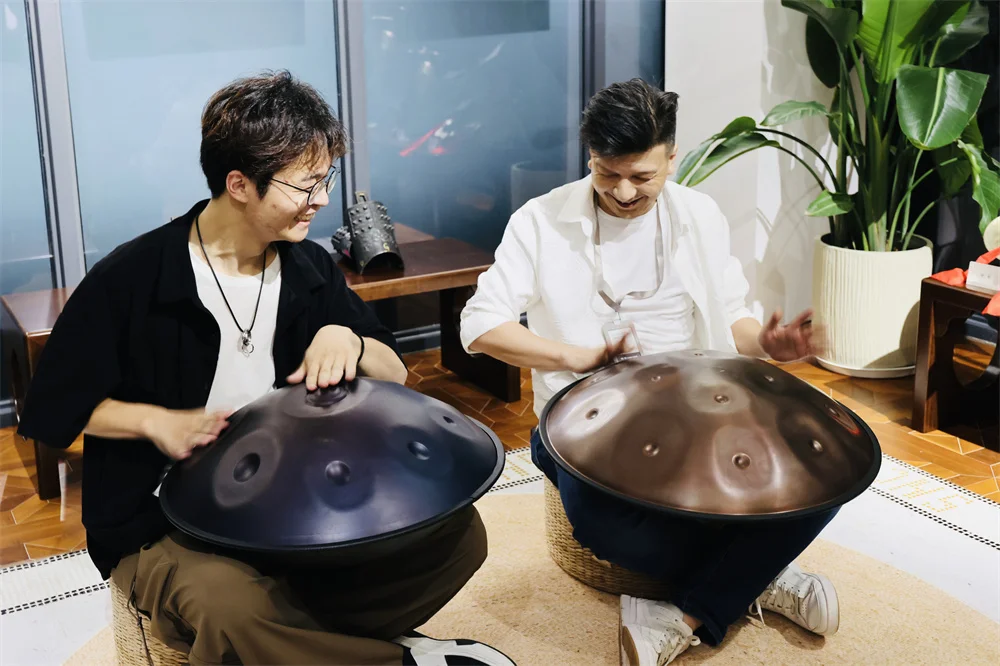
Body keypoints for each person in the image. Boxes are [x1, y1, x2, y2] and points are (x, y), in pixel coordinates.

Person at [17, 71, 514, 666]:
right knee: (231, 607)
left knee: (458, 539)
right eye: (306, 184)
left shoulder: (309, 269)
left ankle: (303, 649)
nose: (322, 199)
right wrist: (154, 422)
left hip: (289, 509)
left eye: (325, 179)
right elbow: (49, 411)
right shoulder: (133, 279)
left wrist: (348, 339)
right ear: (239, 184)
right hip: (161, 520)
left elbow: (395, 373)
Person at [460, 78, 838, 666]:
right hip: (583, 424)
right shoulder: (540, 220)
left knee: (824, 468)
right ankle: (760, 577)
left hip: (699, 408)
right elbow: (480, 325)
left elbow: (731, 317)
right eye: (607, 173)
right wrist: (576, 356)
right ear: (590, 156)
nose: (624, 192)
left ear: (672, 157)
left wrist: (767, 343)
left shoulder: (699, 215)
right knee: (606, 531)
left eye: (642, 176)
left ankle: (689, 612)